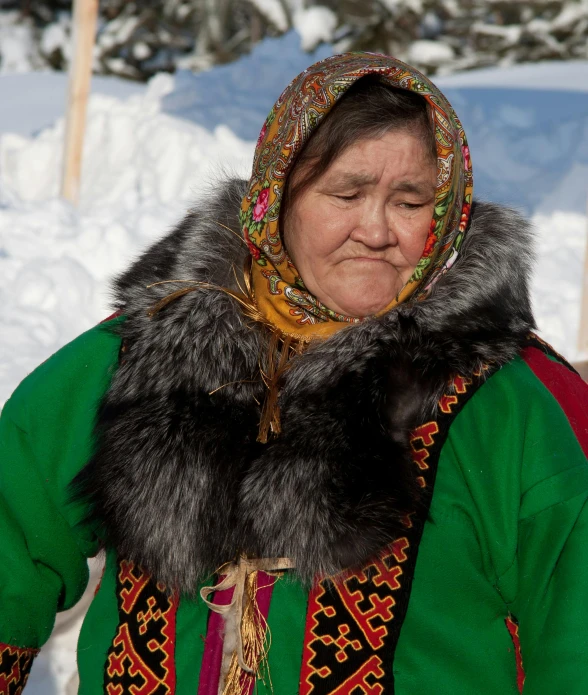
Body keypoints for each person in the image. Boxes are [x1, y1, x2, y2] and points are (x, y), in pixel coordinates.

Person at [1, 52, 587, 695]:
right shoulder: (145, 355)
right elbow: (13, 530)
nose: (376, 229)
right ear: (279, 195)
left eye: (410, 200)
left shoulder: (514, 402)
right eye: (346, 193)